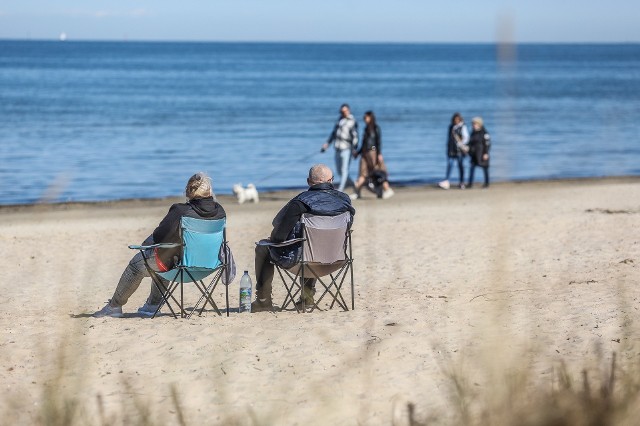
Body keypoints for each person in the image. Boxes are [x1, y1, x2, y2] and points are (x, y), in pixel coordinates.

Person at [93, 172, 227, 318]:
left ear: (188, 192)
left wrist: (146, 244)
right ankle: (152, 306)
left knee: (138, 264)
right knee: (165, 256)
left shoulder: (180, 210)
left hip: (181, 267)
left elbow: (159, 236)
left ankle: (114, 306)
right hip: (210, 266)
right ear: (210, 192)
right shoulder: (220, 211)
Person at [251, 164, 355, 312]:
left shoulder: (300, 202)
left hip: (305, 262)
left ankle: (263, 300)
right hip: (336, 260)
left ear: (308, 181)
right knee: (312, 243)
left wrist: (273, 239)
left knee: (264, 247)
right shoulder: (345, 201)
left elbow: (279, 236)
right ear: (331, 181)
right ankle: (307, 298)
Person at [352, 111, 394, 200]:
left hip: (373, 152)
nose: (364, 119)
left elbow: (377, 143)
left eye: (366, 117)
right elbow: (363, 144)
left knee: (378, 173)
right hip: (364, 153)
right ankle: (357, 192)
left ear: (371, 118)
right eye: (364, 118)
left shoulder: (376, 128)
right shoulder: (366, 128)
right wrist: (358, 153)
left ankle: (387, 190)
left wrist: (377, 152)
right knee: (362, 173)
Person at [321, 104, 358, 192]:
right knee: (339, 171)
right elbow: (334, 133)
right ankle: (354, 185)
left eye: (345, 111)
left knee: (344, 170)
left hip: (347, 149)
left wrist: (354, 149)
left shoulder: (352, 121)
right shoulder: (339, 120)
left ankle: (341, 189)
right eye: (342, 111)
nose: (343, 113)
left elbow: (355, 136)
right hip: (337, 148)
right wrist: (327, 144)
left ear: (348, 111)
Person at [439, 112, 469, 190]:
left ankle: (461, 182)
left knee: (460, 166)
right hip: (451, 149)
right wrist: (448, 147)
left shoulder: (463, 127)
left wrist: (460, 144)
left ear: (460, 119)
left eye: (457, 119)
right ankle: (446, 181)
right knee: (450, 165)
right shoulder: (451, 127)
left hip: (459, 150)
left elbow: (466, 138)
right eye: (455, 119)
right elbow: (449, 139)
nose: (456, 121)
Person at [467, 117, 491, 188]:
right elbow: (470, 142)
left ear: (479, 124)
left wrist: (486, 153)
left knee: (485, 168)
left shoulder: (484, 133)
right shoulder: (473, 133)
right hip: (474, 154)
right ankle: (470, 184)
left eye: (475, 124)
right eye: (473, 124)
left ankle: (486, 183)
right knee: (472, 168)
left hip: (482, 153)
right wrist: (467, 148)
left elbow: (487, 143)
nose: (473, 125)